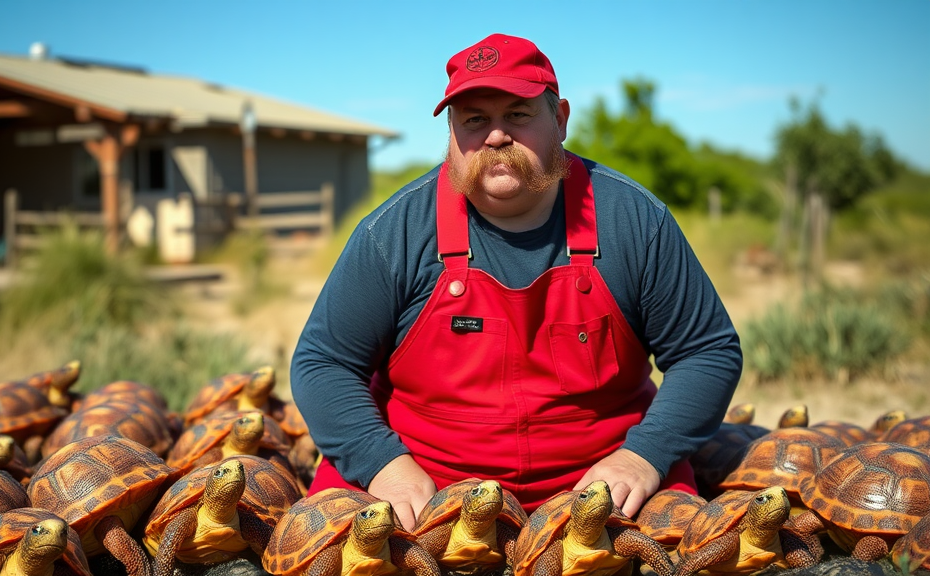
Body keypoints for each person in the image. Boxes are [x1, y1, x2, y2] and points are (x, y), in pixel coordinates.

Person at [291, 33, 742, 530]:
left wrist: (644, 457)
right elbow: (323, 363)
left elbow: (707, 351)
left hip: (603, 484)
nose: (495, 136)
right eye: (475, 119)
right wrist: (384, 466)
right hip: (422, 482)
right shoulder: (394, 232)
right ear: (451, 131)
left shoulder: (634, 220)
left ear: (561, 119)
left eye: (518, 115)